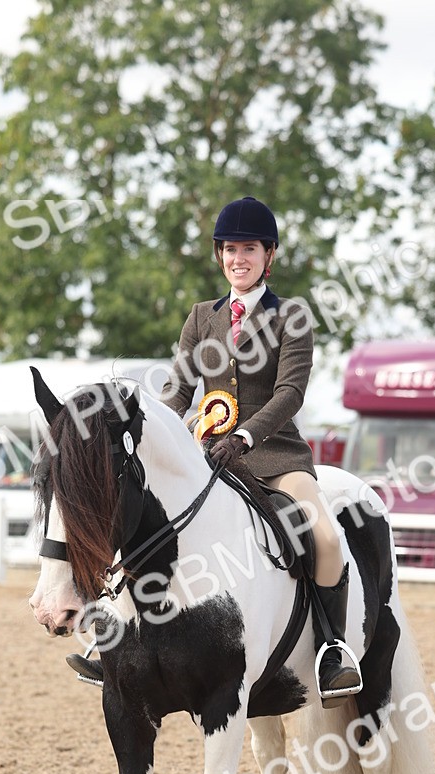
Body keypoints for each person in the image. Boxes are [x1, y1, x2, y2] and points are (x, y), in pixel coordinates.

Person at [68, 196, 361, 705]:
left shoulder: (291, 317)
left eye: (248, 248)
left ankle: (332, 650)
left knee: (325, 537)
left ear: (268, 255)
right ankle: (110, 641)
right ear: (220, 255)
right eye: (229, 249)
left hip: (274, 459)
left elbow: (290, 393)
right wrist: (151, 432)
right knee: (137, 524)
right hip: (207, 460)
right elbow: (180, 391)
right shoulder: (202, 317)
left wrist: (245, 436)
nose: (237, 258)